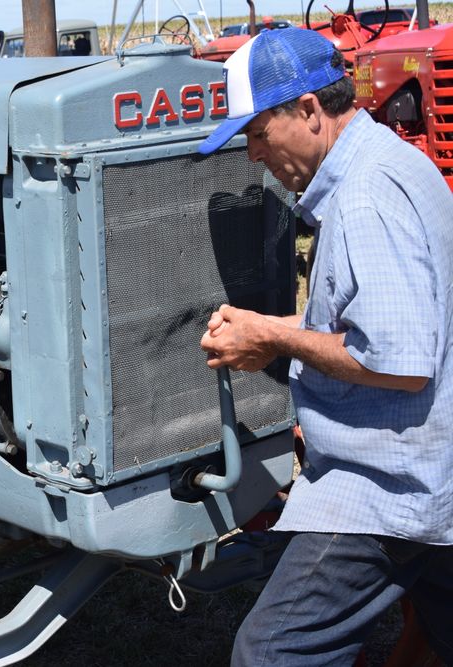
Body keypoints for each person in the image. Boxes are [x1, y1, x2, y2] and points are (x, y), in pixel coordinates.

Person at [197, 27, 453, 664]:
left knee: (272, 654)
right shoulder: (389, 162)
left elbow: (395, 362)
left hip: (391, 482)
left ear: (308, 110)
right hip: (436, 466)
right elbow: (380, 322)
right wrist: (274, 335)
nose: (253, 155)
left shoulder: (364, 198)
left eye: (256, 132)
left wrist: (274, 332)